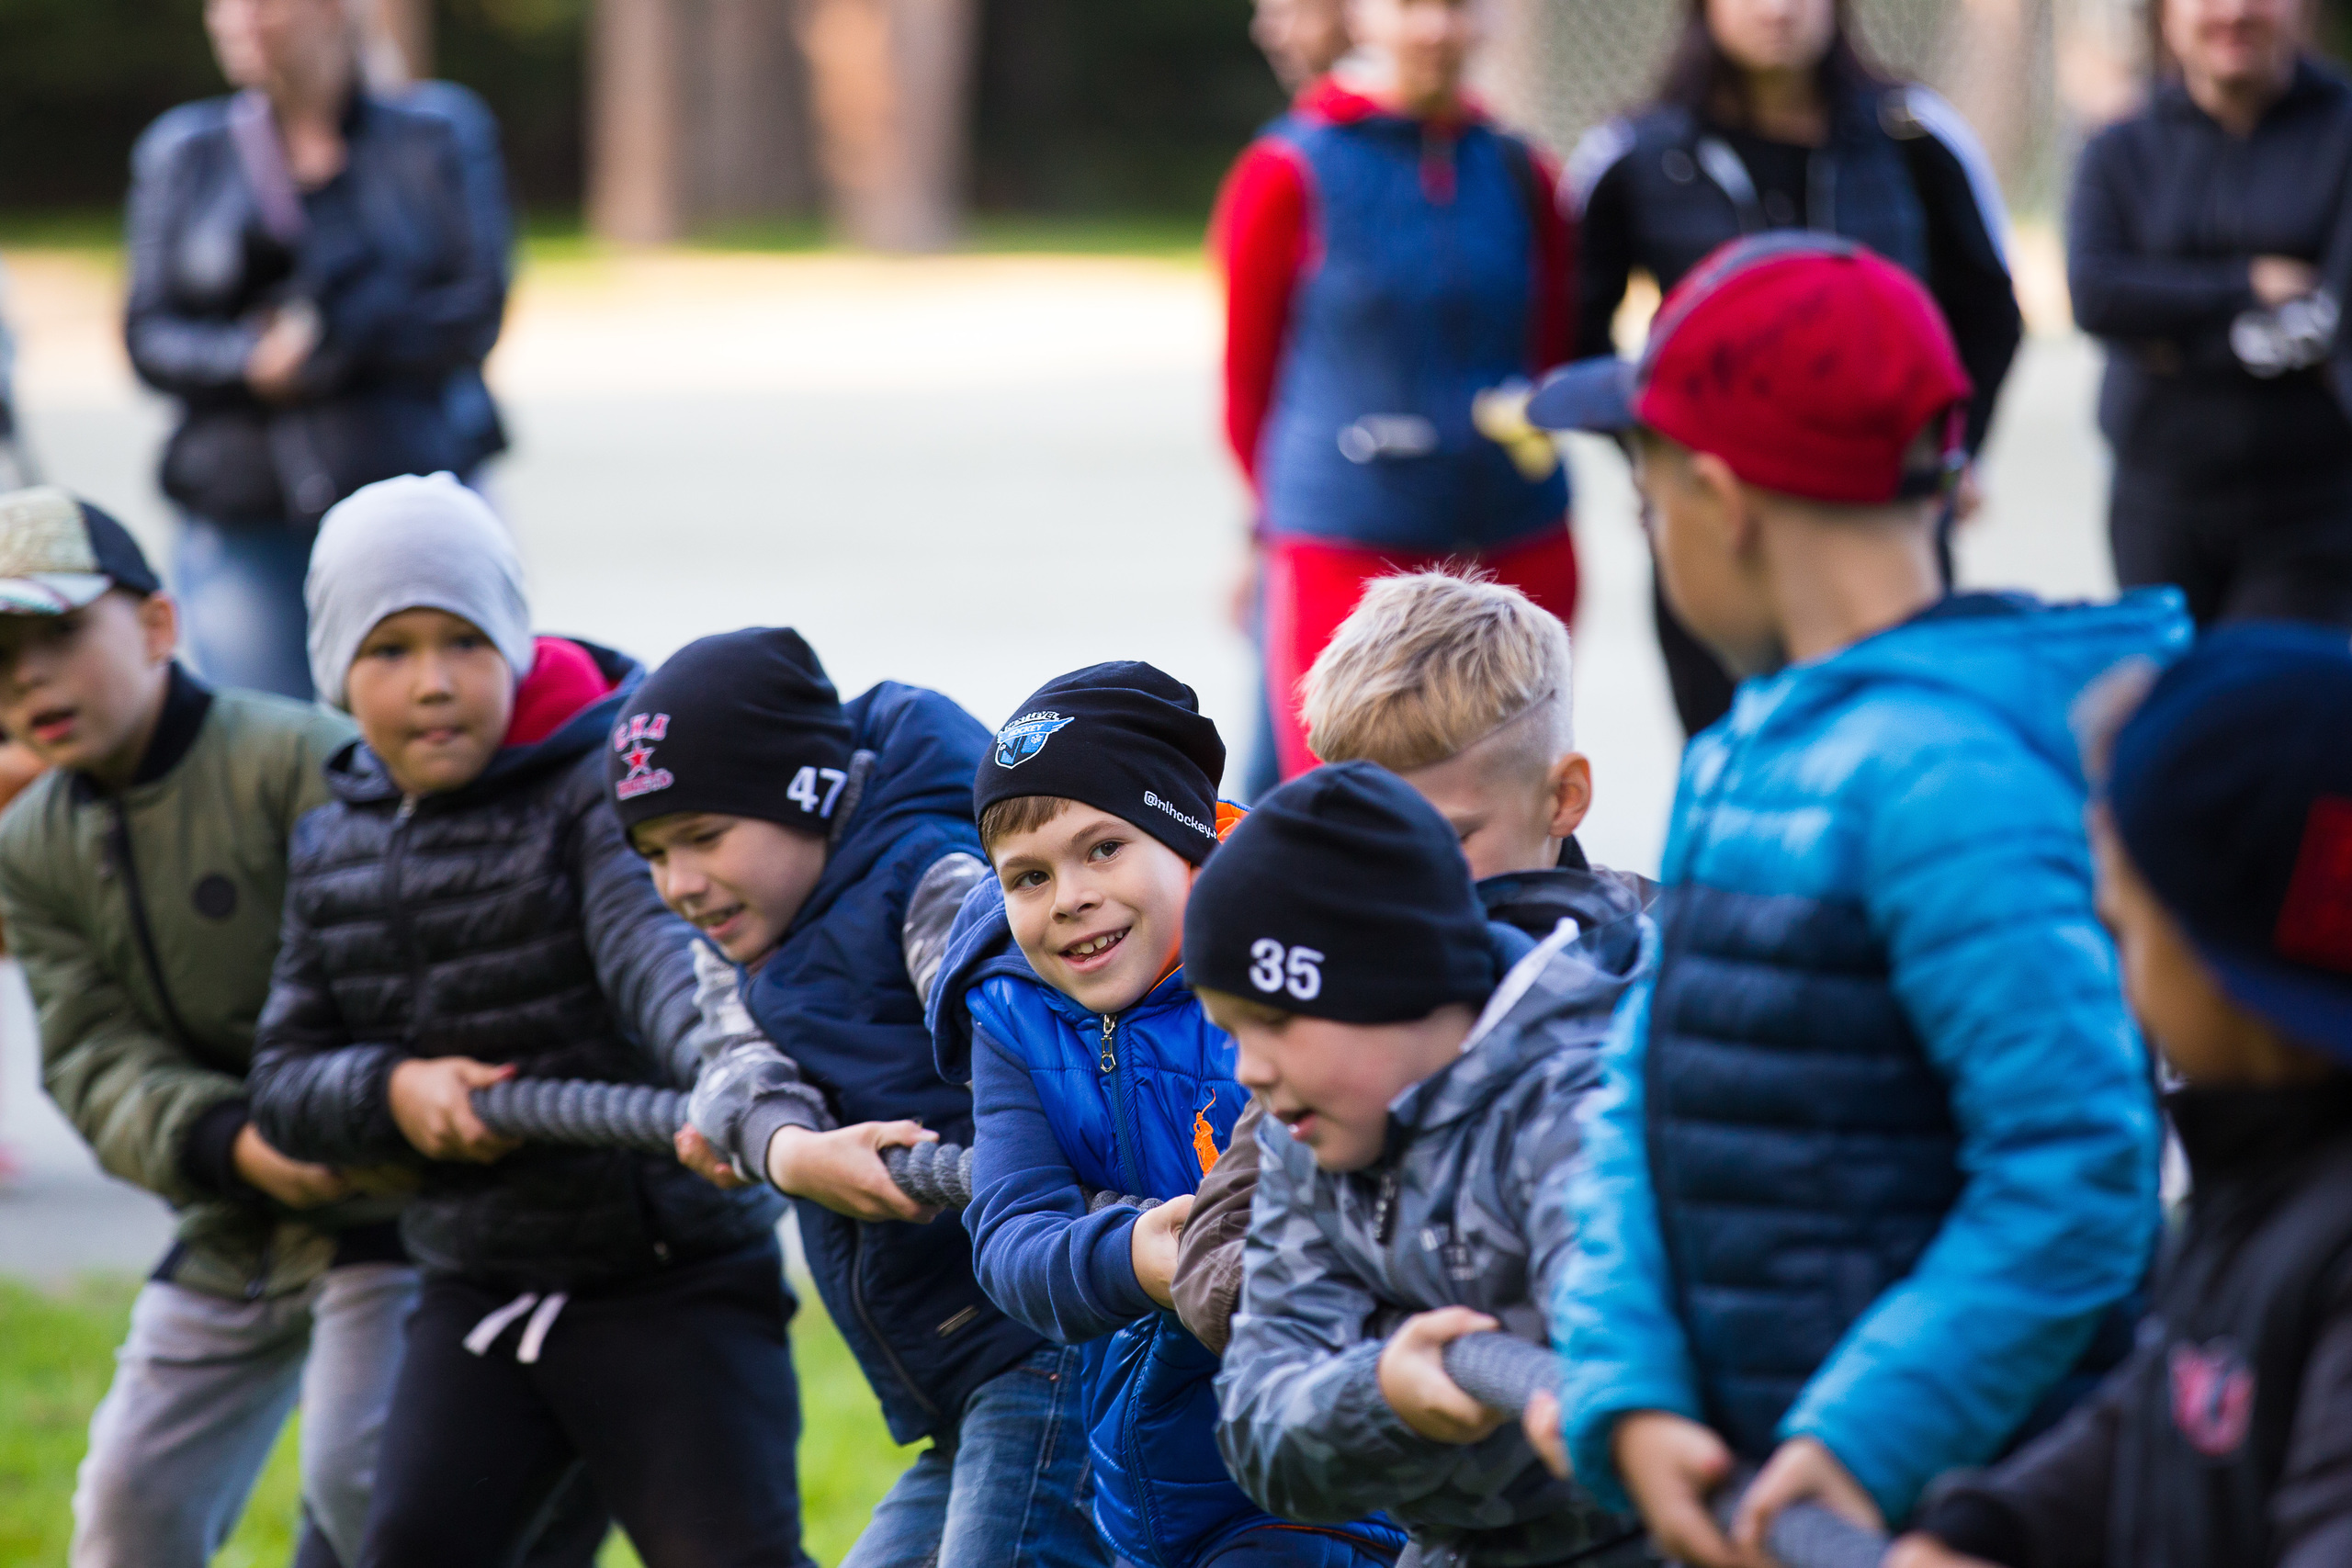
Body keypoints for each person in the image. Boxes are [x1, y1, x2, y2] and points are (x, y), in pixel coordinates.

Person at [1521, 233, 2176, 1565]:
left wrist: (1866, 1439)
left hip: (1923, 1513)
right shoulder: (1746, 752)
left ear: (1720, 500)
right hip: (1768, 1496)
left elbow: (2074, 1170)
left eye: (1646, 501)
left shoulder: (1949, 781)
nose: (1650, 535)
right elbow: (1641, 1103)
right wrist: (1626, 1383)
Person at [244, 474, 808, 1568]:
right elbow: (283, 1079)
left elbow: (663, 968)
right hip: (478, 1279)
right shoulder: (335, 837)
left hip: (669, 1281)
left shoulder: (601, 789)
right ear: (333, 670)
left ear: (512, 640)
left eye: (464, 641)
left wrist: (728, 1090)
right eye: (389, 650)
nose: (433, 682)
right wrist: (393, 1091)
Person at [605, 627, 1105, 1568]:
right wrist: (792, 1151)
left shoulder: (931, 884)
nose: (679, 883)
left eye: (704, 837)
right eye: (653, 853)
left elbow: (1037, 1060)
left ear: (807, 792)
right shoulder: (740, 933)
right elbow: (731, 1064)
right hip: (963, 1370)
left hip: (1047, 1339)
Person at [1889, 624, 2352, 1568]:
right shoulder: (2260, 1163)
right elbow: (2177, 1402)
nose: (2121, 974)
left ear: (2216, 959)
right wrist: (1988, 1527)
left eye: (2125, 928)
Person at [0, 487, 398, 1568]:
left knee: (361, 1477)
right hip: (233, 1216)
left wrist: (338, 1125)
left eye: (58, 637)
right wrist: (234, 1145)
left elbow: (413, 965)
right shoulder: (31, 844)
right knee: (128, 1507)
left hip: (392, 1210)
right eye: (0, 659)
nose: (27, 678)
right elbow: (91, 1058)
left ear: (159, 625)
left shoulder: (298, 762)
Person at [929, 664, 1403, 1567]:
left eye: (1104, 848)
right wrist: (1135, 1257)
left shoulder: (1294, 970)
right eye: (1027, 876)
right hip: (1152, 1492)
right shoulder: (1010, 1008)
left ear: (1186, 839)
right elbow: (1011, 1234)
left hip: (1337, 1479)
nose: (1068, 896)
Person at [1172, 570, 1647, 1358]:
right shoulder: (1327, 975)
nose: (1402, 879)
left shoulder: (1655, 959)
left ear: (1563, 796)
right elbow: (1217, 1254)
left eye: (1449, 839)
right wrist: (1410, 1352)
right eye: (1364, 846)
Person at [1193, 761, 1648, 1568]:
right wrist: (1385, 1397)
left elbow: (1619, 1337)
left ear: (1398, 987)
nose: (1248, 1071)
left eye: (1275, 1020)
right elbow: (1256, 1427)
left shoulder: (1574, 1105)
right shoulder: (1306, 1145)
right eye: (1232, 1031)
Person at [1569, 0, 2020, 736]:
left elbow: (1989, 310)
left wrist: (1955, 450)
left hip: (1882, 507)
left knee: (1892, 736)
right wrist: (1658, 461)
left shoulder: (1913, 134)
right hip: (1721, 522)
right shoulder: (1635, 152)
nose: (1778, 9)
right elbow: (1576, 327)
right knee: (1730, 742)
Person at [1214, 0, 1578, 781]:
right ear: (1359, 15)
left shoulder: (1522, 169)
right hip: (1344, 539)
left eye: (1457, 7)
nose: (1435, 28)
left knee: (1504, 802)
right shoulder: (1288, 168)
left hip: (1514, 537)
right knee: (1348, 799)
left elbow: (1549, 343)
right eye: (1410, 6)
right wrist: (1269, 522)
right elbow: (1247, 381)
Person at [126, 0, 510, 699]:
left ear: (334, 11)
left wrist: (331, 346)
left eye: (265, 4)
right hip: (247, 507)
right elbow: (151, 335)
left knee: (433, 722)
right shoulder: (186, 151)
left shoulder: (433, 135)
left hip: (409, 491)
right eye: (226, 5)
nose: (241, 20)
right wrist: (247, 361)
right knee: (269, 731)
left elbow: (473, 310)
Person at [2067, 0, 2352, 630]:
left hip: (2313, 515)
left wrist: (2170, 335)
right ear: (2166, 15)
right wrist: (2249, 286)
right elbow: (2095, 295)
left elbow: (2336, 317)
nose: (2234, 11)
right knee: (2169, 686)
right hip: (2157, 503)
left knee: (2268, 684)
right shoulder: (2119, 149)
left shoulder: (2342, 138)